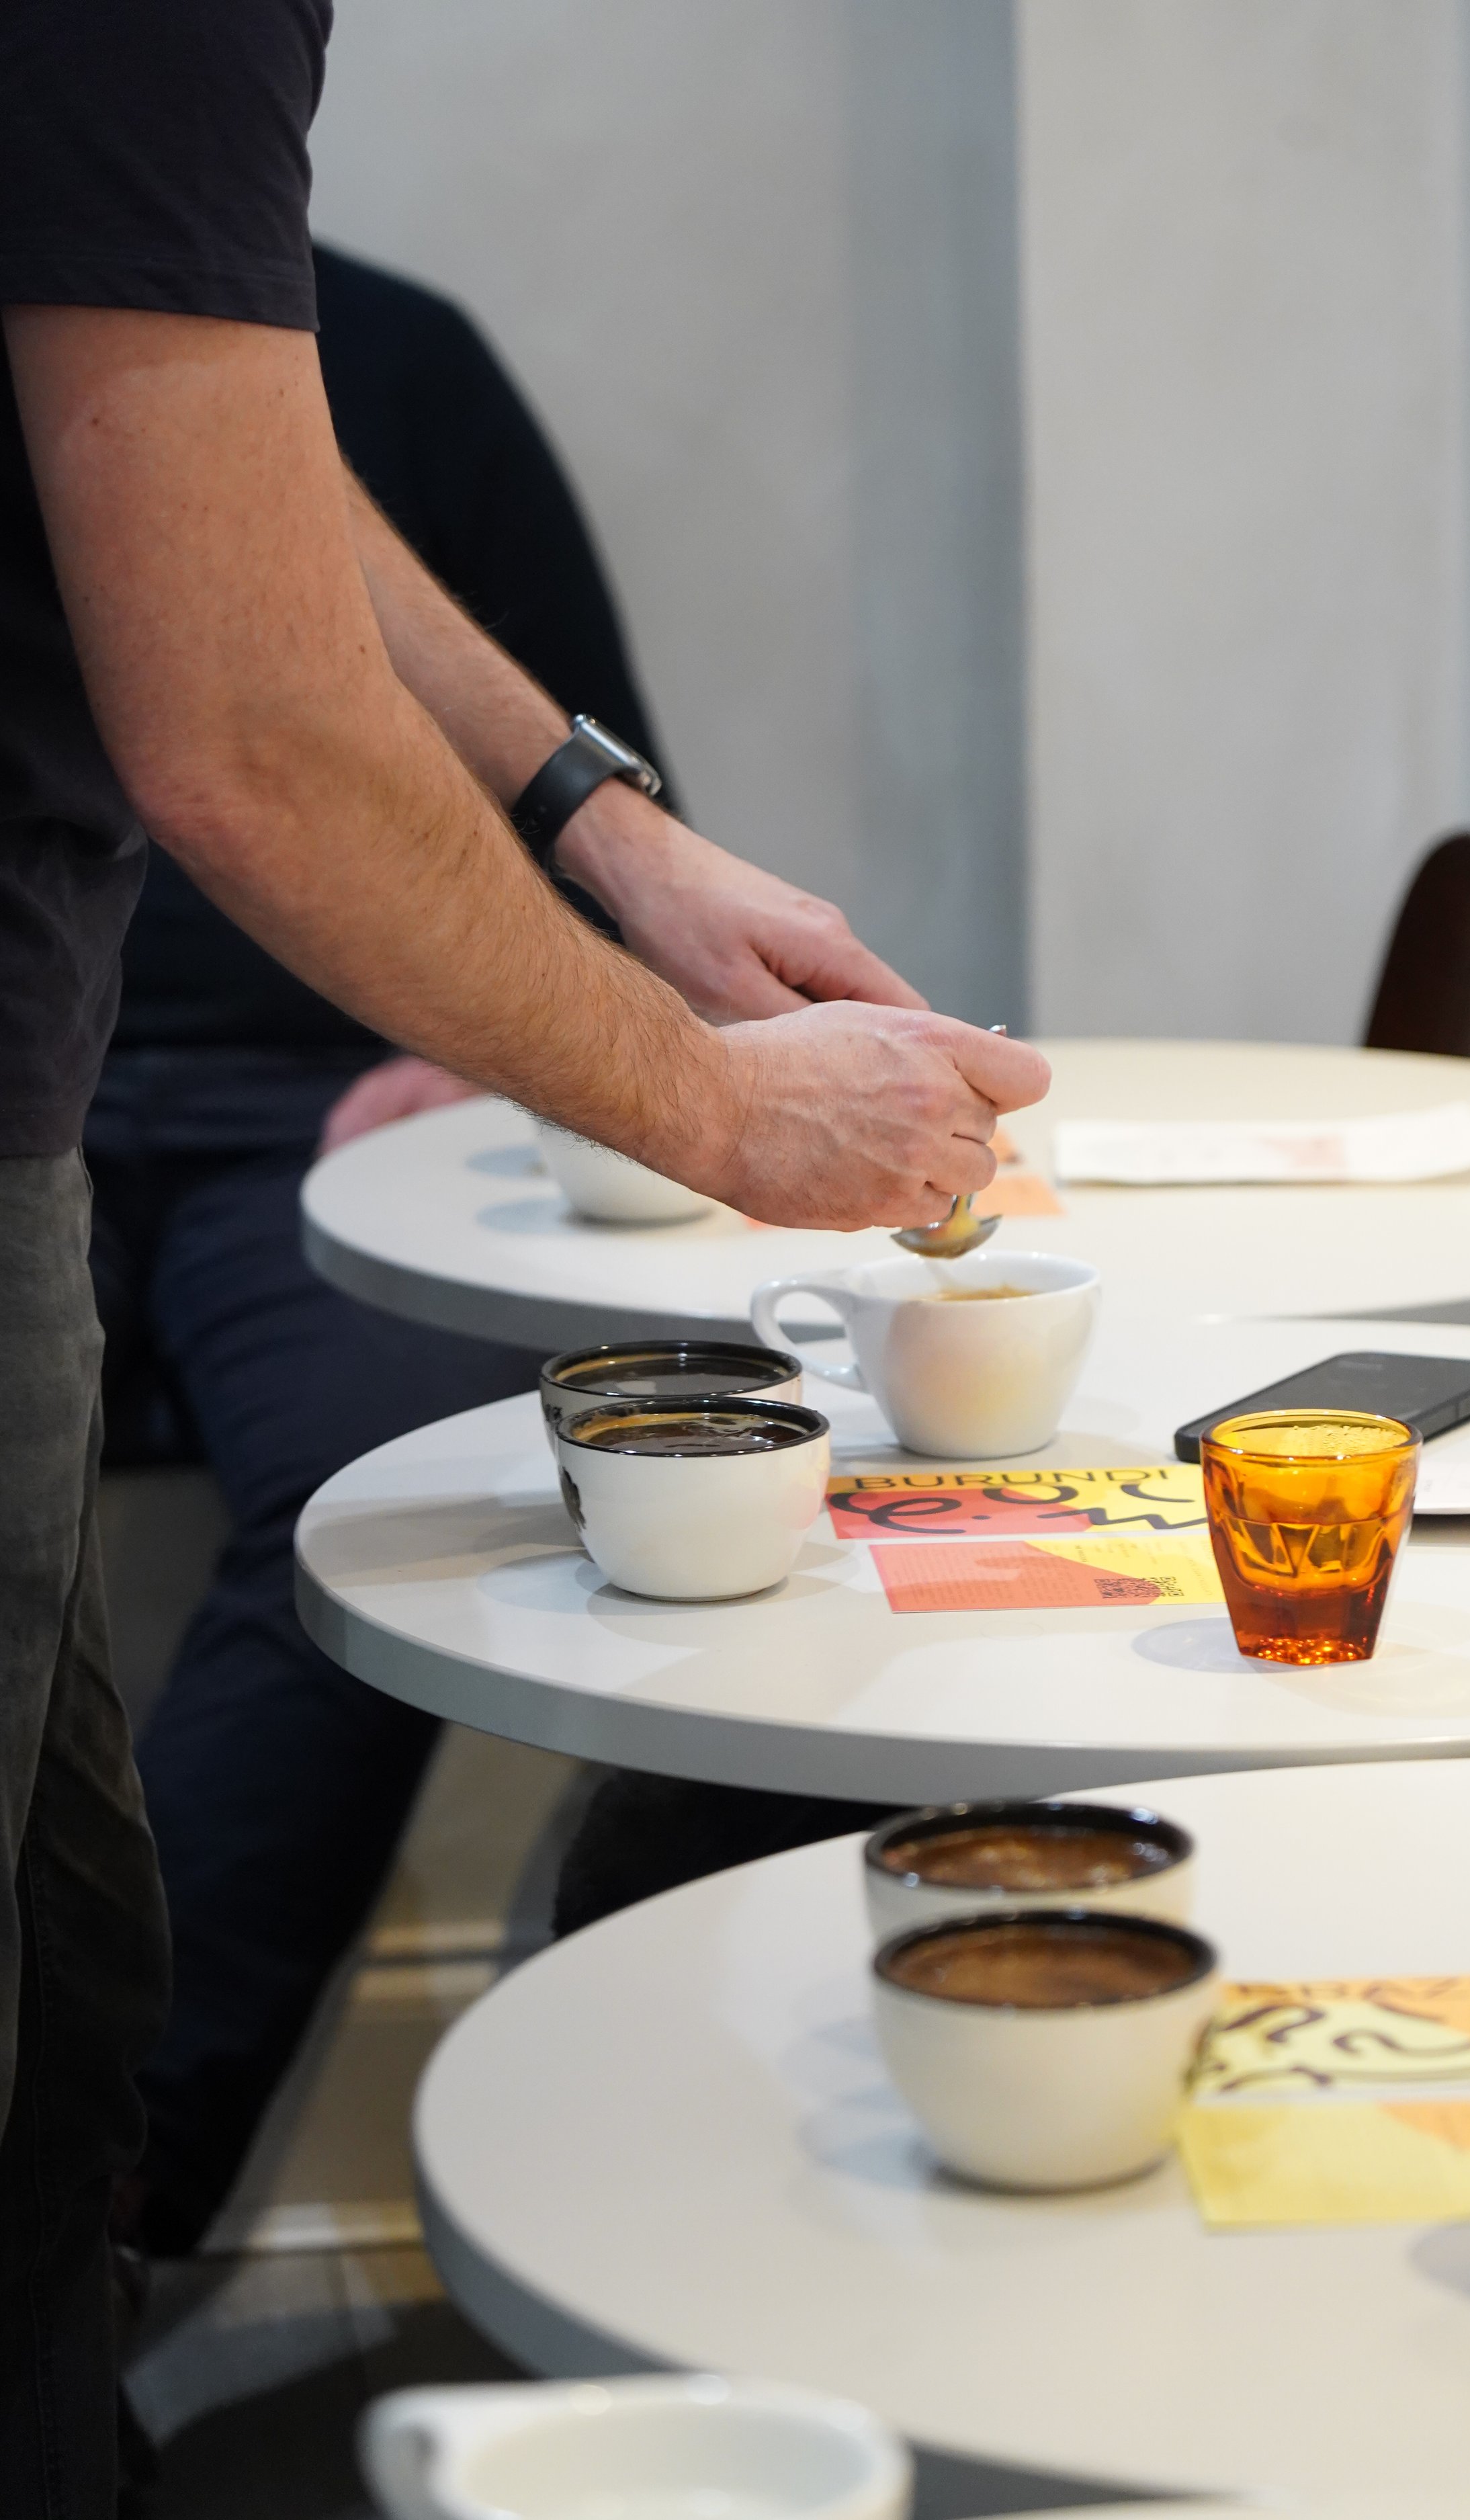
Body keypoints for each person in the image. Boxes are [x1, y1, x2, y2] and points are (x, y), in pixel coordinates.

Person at [0, 9, 1049, 2516]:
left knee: (60, 2036)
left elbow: (213, 466)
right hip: (72, 1069)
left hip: (154, 1082)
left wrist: (602, 825)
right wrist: (707, 1104)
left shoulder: (304, 296)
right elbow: (245, 735)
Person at [90, 236, 675, 2263]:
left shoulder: (395, 358)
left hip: (312, 1097)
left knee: (392, 1499)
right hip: (30, 1079)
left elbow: (609, 815)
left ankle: (107, 2185)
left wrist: (491, 1040)